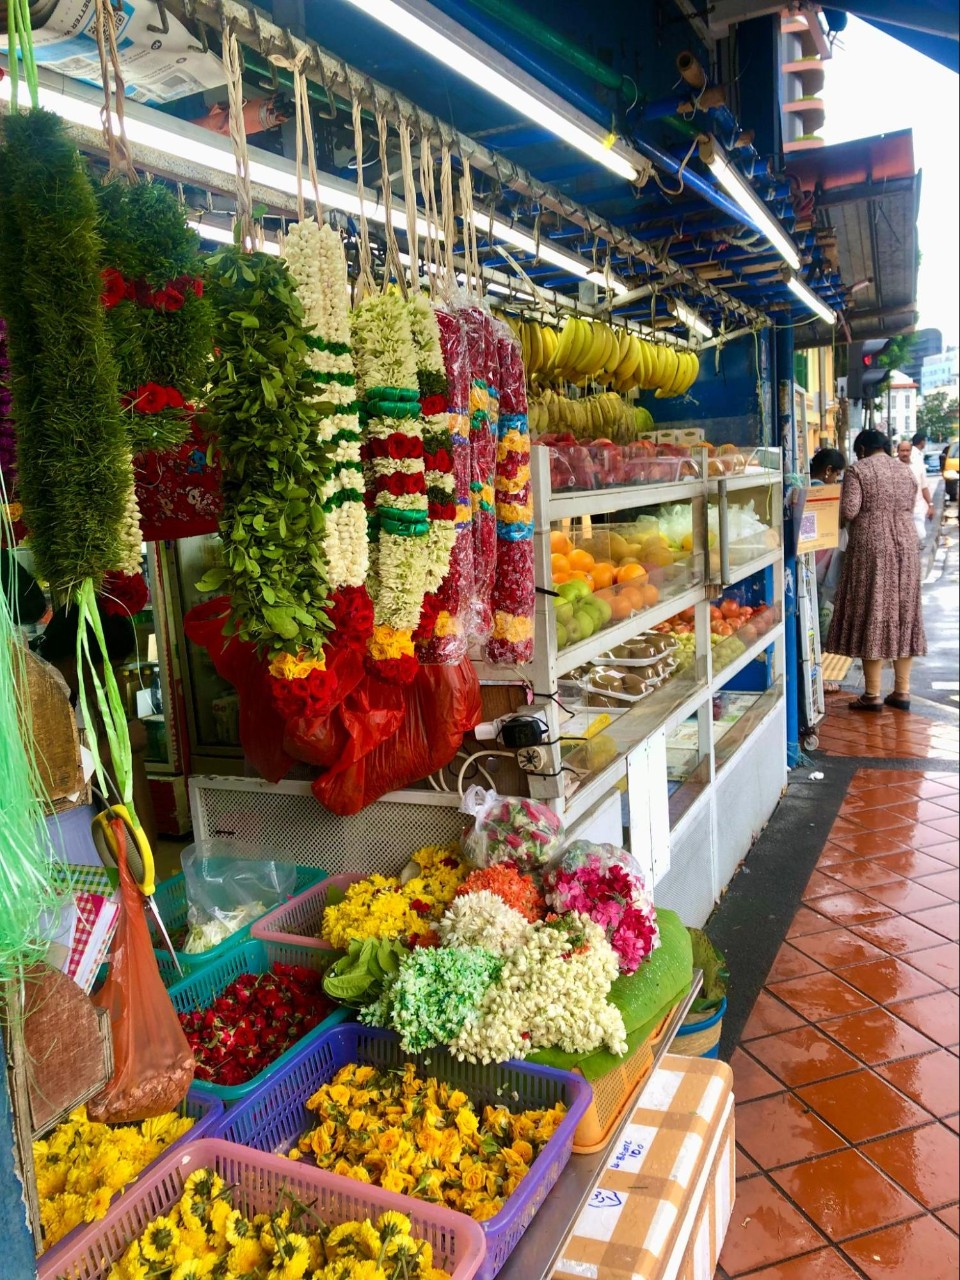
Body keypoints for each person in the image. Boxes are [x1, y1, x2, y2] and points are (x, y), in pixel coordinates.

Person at [32, 601, 158, 850]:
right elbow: (57, 783)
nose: (115, 679)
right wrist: (118, 745)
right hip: (52, 835)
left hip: (79, 826)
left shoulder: (74, 692)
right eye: (114, 668)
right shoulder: (39, 696)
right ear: (82, 659)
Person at [827, 428, 926, 712]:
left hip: (872, 548)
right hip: (906, 545)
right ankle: (902, 691)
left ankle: (872, 695)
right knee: (904, 613)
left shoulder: (859, 471)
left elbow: (849, 511)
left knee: (873, 611)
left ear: (861, 450)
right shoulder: (906, 471)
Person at [897, 438, 925, 543]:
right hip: (899, 511)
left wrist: (930, 504)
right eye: (902, 450)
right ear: (897, 451)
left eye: (907, 450)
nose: (905, 453)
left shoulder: (918, 466)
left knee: (920, 535)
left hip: (917, 508)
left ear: (911, 451)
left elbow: (924, 487)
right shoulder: (891, 467)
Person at [910, 430, 935, 542]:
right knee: (920, 535)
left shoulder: (918, 455)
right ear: (922, 442)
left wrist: (929, 504)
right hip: (913, 503)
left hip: (918, 503)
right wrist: (930, 505)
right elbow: (920, 483)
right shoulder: (915, 456)